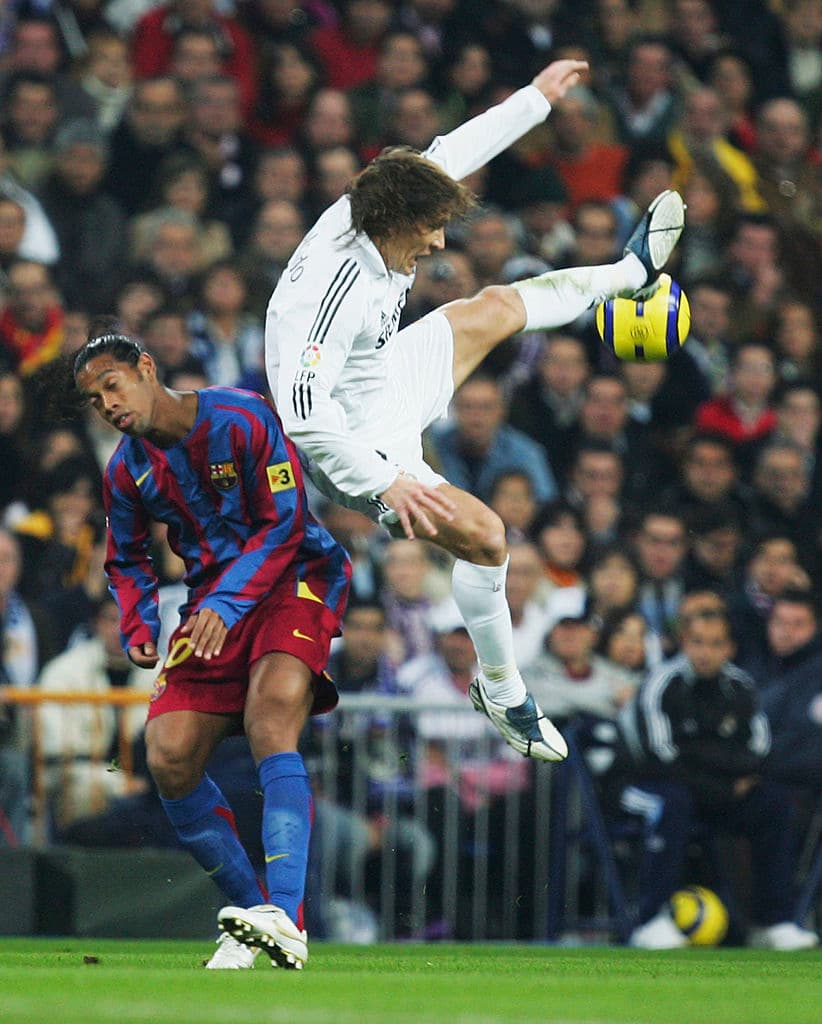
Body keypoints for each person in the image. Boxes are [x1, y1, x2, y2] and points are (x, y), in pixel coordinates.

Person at [264, 57, 685, 769]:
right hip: (356, 444)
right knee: (488, 538)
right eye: (430, 229)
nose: (438, 243)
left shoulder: (380, 205)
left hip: (384, 376)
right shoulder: (329, 295)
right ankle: (501, 688)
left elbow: (448, 153)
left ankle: (630, 273)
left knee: (490, 305)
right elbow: (304, 419)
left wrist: (535, 98)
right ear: (395, 222)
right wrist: (384, 482)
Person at [71, 331, 351, 970]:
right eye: (94, 399)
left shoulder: (242, 416)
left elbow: (284, 524)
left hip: (293, 579)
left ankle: (286, 913)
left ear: (147, 368)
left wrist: (224, 606)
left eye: (112, 385)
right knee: (168, 755)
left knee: (270, 715)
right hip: (211, 601)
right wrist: (138, 621)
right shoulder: (126, 470)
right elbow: (126, 558)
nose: (108, 405)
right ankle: (254, 919)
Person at [610, 609, 818, 951]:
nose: (705, 652)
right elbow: (659, 757)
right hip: (641, 787)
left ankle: (773, 922)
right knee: (670, 802)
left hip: (709, 793)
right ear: (684, 643)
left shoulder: (740, 686)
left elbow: (759, 752)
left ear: (729, 648)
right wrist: (724, 776)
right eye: (697, 642)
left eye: (715, 643)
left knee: (773, 804)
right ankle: (651, 918)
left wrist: (703, 758)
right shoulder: (662, 684)